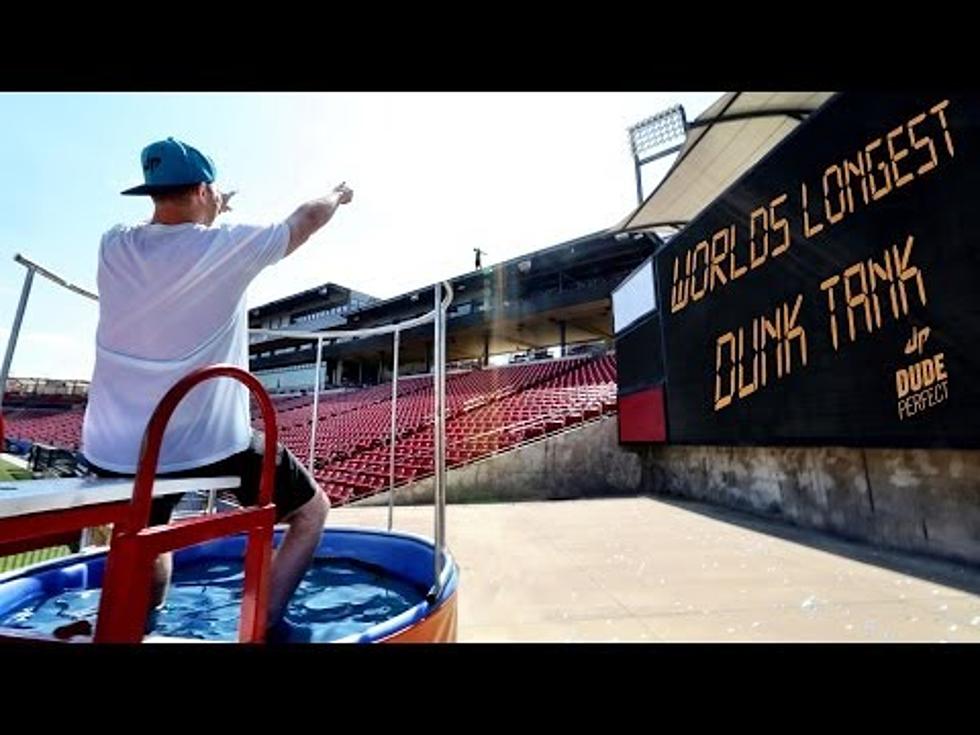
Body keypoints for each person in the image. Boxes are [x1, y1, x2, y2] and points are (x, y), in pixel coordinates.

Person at [80, 137, 352, 633]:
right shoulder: (226, 246)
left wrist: (212, 209)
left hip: (114, 450)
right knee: (312, 513)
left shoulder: (113, 242)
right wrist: (336, 194)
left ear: (153, 193)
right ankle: (261, 623)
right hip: (204, 445)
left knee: (149, 532)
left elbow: (169, 233)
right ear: (204, 188)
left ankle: (141, 621)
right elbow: (305, 219)